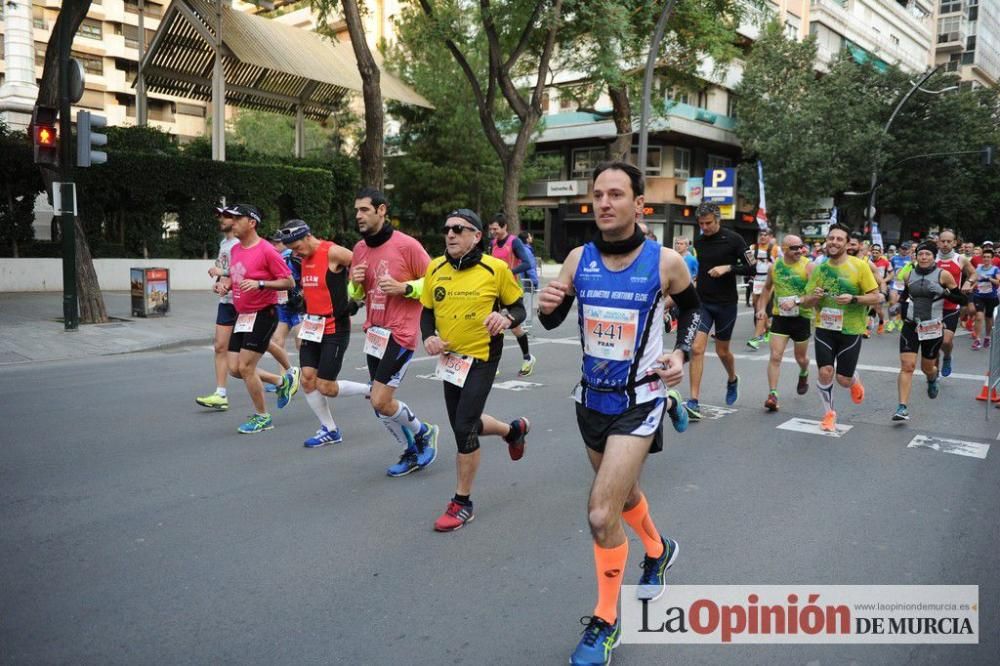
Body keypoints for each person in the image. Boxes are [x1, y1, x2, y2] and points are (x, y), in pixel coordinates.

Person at [537, 161, 698, 666]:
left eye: (615, 194)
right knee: (624, 493)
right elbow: (551, 318)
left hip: (640, 400)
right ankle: (658, 549)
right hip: (591, 400)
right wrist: (546, 304)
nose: (604, 203)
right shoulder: (578, 257)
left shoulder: (666, 261)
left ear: (637, 205)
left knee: (601, 512)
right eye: (598, 194)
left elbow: (693, 313)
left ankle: (606, 620)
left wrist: (680, 352)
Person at [420, 208, 530, 532]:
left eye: (458, 228)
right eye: (447, 229)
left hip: (483, 356)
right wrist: (428, 336)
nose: (450, 234)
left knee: (464, 425)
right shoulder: (435, 267)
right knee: (460, 423)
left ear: (477, 235)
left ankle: (462, 502)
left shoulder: (494, 268)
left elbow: (520, 306)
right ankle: (513, 431)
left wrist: (507, 318)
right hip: (451, 359)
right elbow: (427, 311)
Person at [347, 187, 440, 475]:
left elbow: (437, 281)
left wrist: (406, 288)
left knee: (380, 399)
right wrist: (356, 283)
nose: (359, 216)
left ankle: (424, 432)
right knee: (379, 404)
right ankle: (411, 450)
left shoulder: (407, 246)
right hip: (374, 334)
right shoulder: (359, 249)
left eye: (364, 209)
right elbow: (356, 293)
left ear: (382, 210)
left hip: (400, 334)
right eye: (356, 211)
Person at [276, 221, 370, 447]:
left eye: (297, 246)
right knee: (308, 380)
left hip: (334, 328)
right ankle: (330, 429)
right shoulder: (302, 258)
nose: (295, 253)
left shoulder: (333, 251)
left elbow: (367, 268)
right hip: (311, 327)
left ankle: (371, 389)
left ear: (308, 236)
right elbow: (312, 290)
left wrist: (358, 299)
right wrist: (301, 307)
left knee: (326, 386)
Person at [223, 204, 299, 434]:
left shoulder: (267, 250)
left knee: (246, 367)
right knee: (234, 369)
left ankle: (262, 417)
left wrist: (261, 284)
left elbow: (289, 282)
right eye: (231, 219)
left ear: (252, 223)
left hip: (263, 314)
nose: (232, 223)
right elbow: (235, 277)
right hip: (242, 315)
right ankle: (280, 381)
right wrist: (225, 284)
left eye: (237, 219)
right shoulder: (236, 249)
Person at [800, 223, 880, 432]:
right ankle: (829, 414)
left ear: (846, 244)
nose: (834, 242)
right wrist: (813, 297)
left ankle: (854, 380)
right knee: (825, 371)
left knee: (843, 379)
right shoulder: (820, 269)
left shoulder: (859, 266)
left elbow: (877, 296)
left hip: (851, 329)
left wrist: (854, 298)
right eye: (831, 238)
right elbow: (806, 301)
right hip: (824, 327)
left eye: (839, 239)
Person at [684, 202, 753, 419]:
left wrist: (728, 268)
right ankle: (693, 400)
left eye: (708, 223)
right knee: (696, 348)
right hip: (703, 302)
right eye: (701, 223)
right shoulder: (699, 241)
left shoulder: (734, 239)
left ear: (718, 220)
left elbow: (752, 267)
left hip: (726, 304)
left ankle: (732, 379)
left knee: (723, 351)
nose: (704, 227)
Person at [892, 241, 965, 421]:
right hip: (911, 325)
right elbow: (904, 297)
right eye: (921, 254)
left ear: (934, 257)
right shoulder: (909, 275)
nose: (923, 257)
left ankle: (932, 379)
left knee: (927, 367)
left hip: (932, 327)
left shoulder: (944, 275)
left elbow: (962, 299)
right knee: (907, 366)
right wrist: (897, 308)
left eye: (928, 254)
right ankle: (902, 407)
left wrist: (944, 291)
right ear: (916, 256)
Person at [756, 234, 813, 412]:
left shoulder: (808, 266)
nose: (799, 250)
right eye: (794, 248)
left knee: (801, 358)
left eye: (801, 247)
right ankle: (773, 394)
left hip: (801, 317)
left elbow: (815, 294)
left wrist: (796, 301)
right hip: (780, 316)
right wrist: (762, 308)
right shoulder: (775, 266)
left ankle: (804, 372)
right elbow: (767, 288)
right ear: (784, 249)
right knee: (775, 356)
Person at [488, 214, 537, 377]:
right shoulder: (493, 243)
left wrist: (508, 272)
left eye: (495, 229)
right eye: (491, 229)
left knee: (513, 327)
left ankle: (527, 358)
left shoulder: (514, 242)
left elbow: (526, 263)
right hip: (495, 290)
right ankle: (494, 364)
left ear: (504, 227)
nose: (493, 232)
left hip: (512, 290)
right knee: (495, 327)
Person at [934, 229, 975, 377]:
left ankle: (947, 357)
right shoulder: (930, 258)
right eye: (942, 241)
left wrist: (968, 282)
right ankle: (934, 371)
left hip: (951, 306)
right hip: (932, 307)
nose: (945, 244)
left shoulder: (960, 259)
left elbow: (974, 273)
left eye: (948, 241)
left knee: (945, 341)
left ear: (955, 243)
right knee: (933, 342)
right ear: (938, 242)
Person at [747, 229, 780, 350]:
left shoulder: (776, 248)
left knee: (762, 307)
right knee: (757, 307)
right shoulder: (752, 247)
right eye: (761, 235)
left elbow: (780, 263)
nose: (763, 237)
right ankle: (768, 329)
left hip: (768, 281)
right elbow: (748, 262)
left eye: (765, 235)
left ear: (770, 237)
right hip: (755, 280)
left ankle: (756, 338)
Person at [972, 246, 1000, 350]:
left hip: (991, 297)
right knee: (979, 316)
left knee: (988, 318)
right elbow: (974, 279)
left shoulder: (995, 269)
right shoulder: (978, 268)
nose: (986, 259)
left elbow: (998, 282)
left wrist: (989, 278)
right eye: (984, 257)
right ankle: (977, 339)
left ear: (992, 258)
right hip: (979, 296)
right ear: (982, 258)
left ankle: (987, 337)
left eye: (988, 257)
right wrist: (971, 286)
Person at [887, 241, 913, 332]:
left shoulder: (911, 259)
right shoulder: (894, 258)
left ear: (909, 250)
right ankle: (891, 322)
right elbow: (889, 270)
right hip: (895, 283)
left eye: (906, 249)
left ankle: (899, 320)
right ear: (899, 249)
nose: (904, 251)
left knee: (900, 304)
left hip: (905, 285)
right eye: (903, 249)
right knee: (892, 302)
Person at [869, 244, 891, 335]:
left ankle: (881, 321)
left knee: (878, 309)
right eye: (873, 252)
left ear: (880, 253)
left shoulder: (885, 262)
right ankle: (867, 329)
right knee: (869, 307)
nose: (874, 254)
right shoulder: (867, 261)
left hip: (880, 288)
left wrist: (883, 281)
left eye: (876, 253)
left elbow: (891, 275)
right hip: (869, 287)